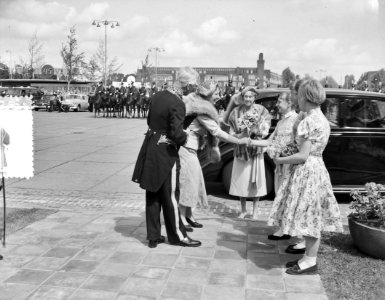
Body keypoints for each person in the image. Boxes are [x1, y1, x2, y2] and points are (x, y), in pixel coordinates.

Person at [268, 79, 343, 275]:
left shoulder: (310, 121)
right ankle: (307, 257)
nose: (296, 99)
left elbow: (302, 155)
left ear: (304, 97)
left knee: (309, 216)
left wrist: (280, 159)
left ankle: (310, 261)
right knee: (309, 213)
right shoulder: (321, 118)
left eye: (298, 95)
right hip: (316, 168)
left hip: (307, 170)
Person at [132, 66, 202, 248]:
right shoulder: (177, 103)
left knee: (152, 193)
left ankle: (153, 236)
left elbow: (150, 121)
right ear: (185, 85)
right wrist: (186, 135)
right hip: (166, 152)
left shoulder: (157, 96)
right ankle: (178, 236)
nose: (193, 89)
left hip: (150, 147)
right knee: (170, 196)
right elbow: (177, 134)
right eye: (193, 85)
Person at [179, 81, 249, 231]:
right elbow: (216, 132)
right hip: (186, 148)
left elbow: (219, 125)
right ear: (208, 95)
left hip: (191, 148)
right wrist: (238, 140)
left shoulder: (203, 107)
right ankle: (181, 217)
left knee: (195, 182)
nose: (218, 96)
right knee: (188, 182)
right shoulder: (201, 110)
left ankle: (189, 216)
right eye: (216, 93)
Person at [248, 91, 298, 238]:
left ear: (290, 103)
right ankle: (283, 228)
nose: (277, 104)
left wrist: (283, 152)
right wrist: (251, 142)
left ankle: (288, 229)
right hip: (280, 164)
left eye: (280, 101)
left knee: (288, 195)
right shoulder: (281, 121)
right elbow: (270, 141)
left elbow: (296, 143)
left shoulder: (296, 120)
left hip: (289, 164)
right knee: (280, 194)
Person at [228, 86, 271, 219]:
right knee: (242, 179)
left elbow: (266, 130)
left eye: (250, 96)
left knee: (255, 179)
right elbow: (230, 131)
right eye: (245, 96)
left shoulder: (262, 111)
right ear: (242, 97)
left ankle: (256, 211)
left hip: (255, 148)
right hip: (241, 149)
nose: (248, 99)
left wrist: (255, 130)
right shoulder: (235, 112)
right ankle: (243, 209)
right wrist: (239, 133)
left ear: (254, 97)